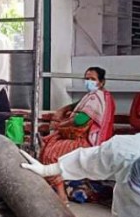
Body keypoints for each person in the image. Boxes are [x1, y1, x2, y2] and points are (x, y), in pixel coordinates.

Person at [40, 66, 116, 203]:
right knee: (52, 142)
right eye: (86, 79)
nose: (89, 81)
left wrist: (60, 125)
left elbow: (79, 120)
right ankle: (60, 188)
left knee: (51, 152)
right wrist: (65, 109)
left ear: (101, 82)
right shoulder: (95, 96)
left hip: (88, 142)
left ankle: (61, 194)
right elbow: (76, 106)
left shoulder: (96, 98)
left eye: (92, 79)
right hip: (85, 138)